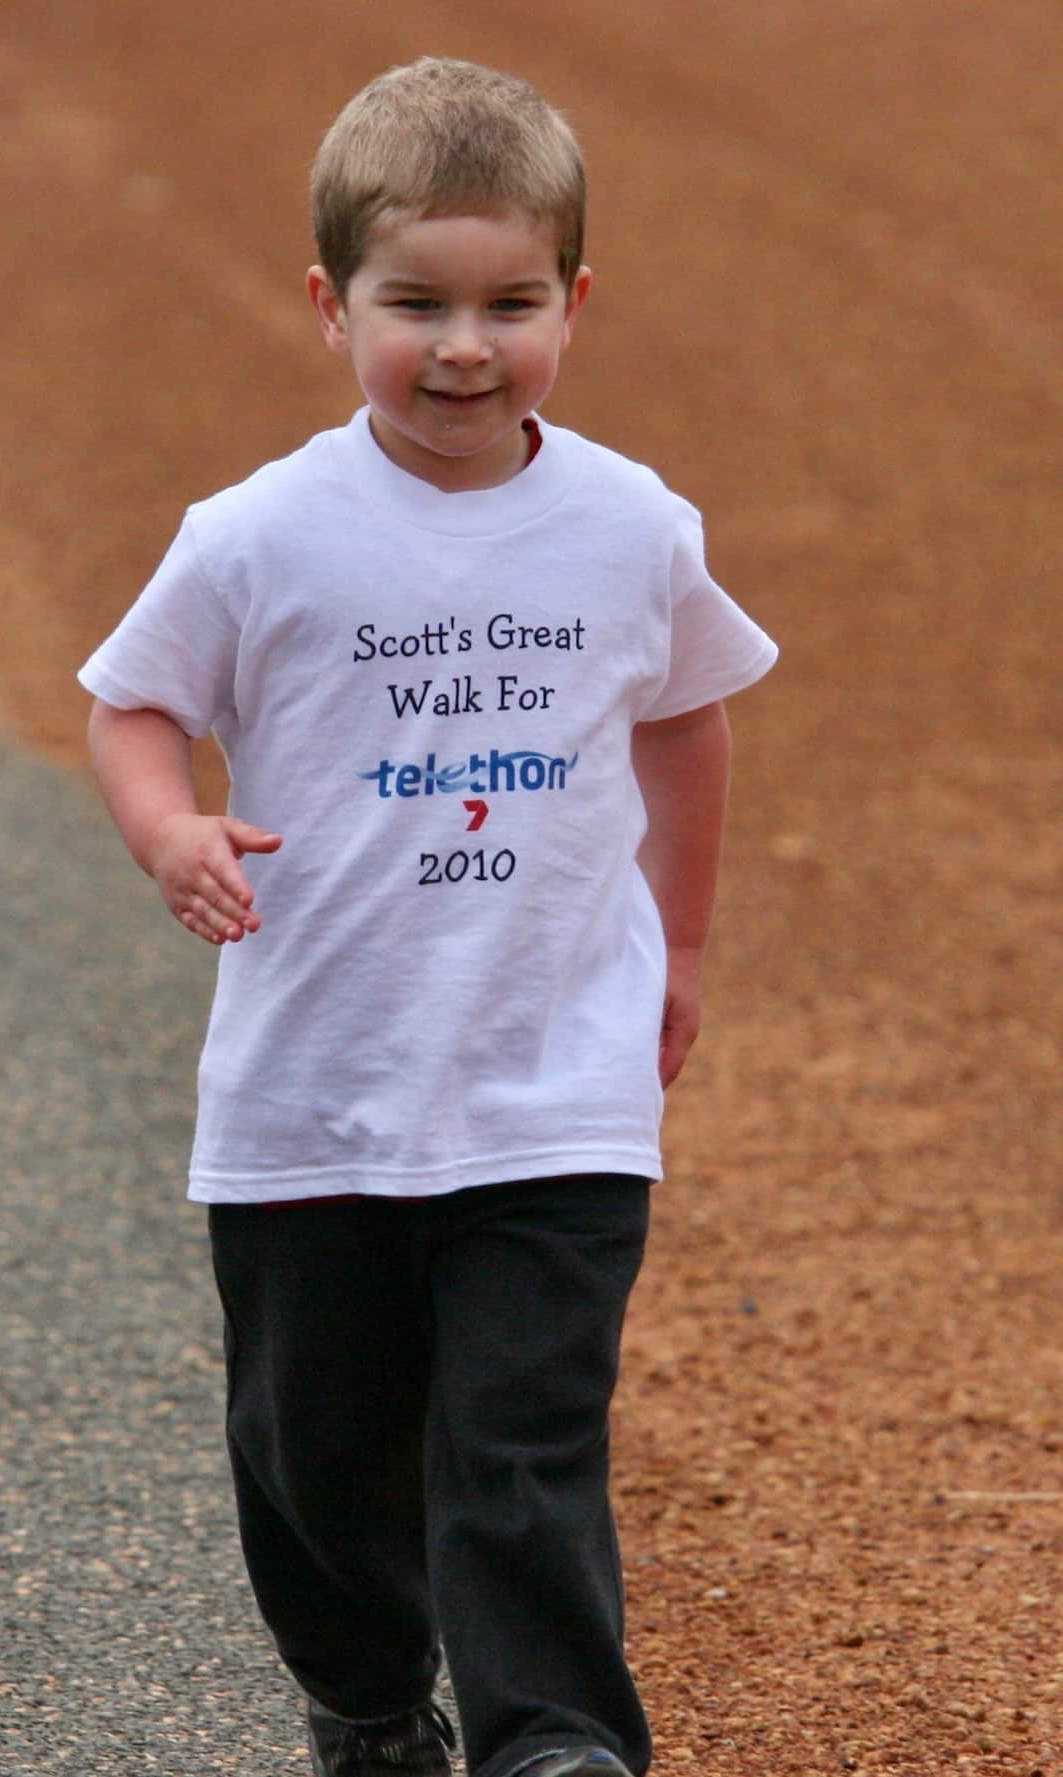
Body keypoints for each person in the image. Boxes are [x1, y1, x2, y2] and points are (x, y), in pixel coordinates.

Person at [78, 55, 776, 1777]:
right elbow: (132, 703)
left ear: (574, 304)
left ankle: (552, 1739)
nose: (466, 347)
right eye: (419, 304)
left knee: (520, 1438)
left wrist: (681, 944)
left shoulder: (630, 526)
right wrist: (170, 830)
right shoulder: (259, 536)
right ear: (332, 306)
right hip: (314, 1091)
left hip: (552, 1079)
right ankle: (373, 1695)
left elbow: (687, 719)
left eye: (511, 304)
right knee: (314, 1454)